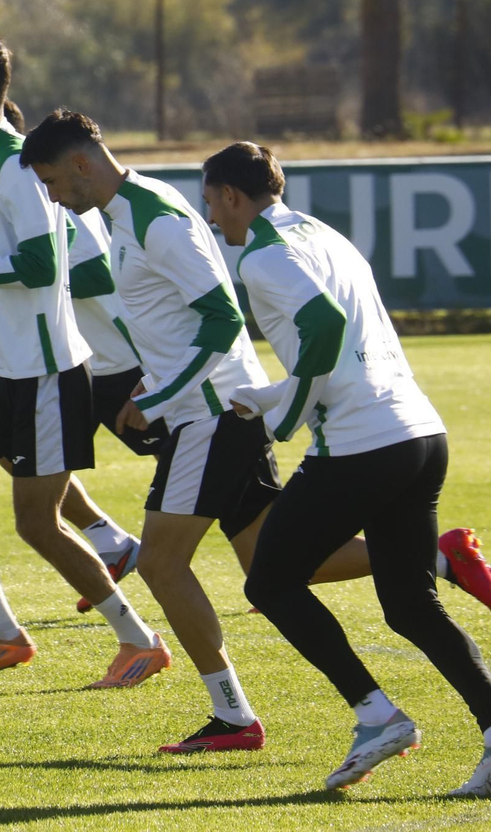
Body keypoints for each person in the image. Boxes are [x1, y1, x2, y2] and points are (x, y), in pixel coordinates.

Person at [201, 142, 491, 794]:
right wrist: (275, 394)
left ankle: (376, 714)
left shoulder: (263, 256)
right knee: (411, 605)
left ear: (234, 197)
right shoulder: (320, 234)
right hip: (419, 432)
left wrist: (285, 414)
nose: (213, 218)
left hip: (364, 445)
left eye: (212, 202)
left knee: (269, 581)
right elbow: (340, 348)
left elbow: (326, 329)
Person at [0, 37, 168, 690]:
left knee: (36, 523)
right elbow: (28, 270)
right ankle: (1, 633)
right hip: (11, 372)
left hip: (48, 373)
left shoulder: (18, 166)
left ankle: (139, 641)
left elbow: (44, 264)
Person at [21, 108, 278, 752]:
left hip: (211, 412)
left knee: (162, 564)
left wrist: (162, 390)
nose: (52, 196)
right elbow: (175, 316)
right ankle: (437, 558)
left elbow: (222, 318)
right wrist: (154, 374)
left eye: (53, 181)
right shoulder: (123, 210)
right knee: (274, 570)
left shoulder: (154, 219)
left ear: (82, 164)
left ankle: (235, 717)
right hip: (217, 406)